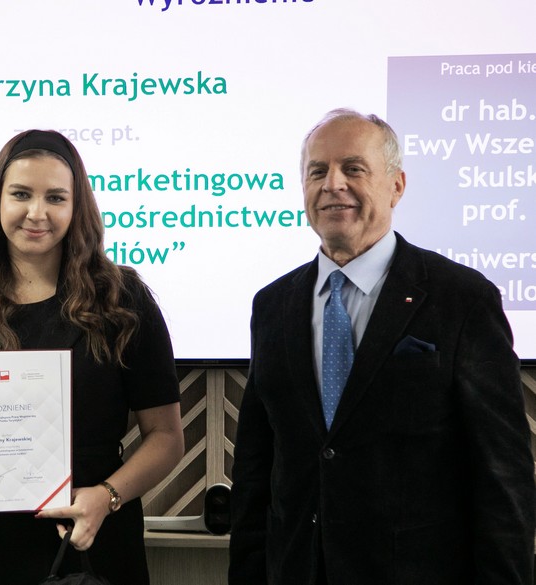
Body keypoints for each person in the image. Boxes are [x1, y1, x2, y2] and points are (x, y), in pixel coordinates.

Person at [229, 109, 536, 584]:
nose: (332, 184)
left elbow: (502, 475)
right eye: (317, 171)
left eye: (353, 168)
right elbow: (256, 469)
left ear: (396, 186)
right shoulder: (273, 305)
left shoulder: (461, 299)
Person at [0, 129, 185, 585]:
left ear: (77, 207)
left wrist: (107, 498)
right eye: (21, 194)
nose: (37, 213)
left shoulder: (122, 299)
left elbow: (166, 438)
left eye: (55, 197)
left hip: (87, 540)